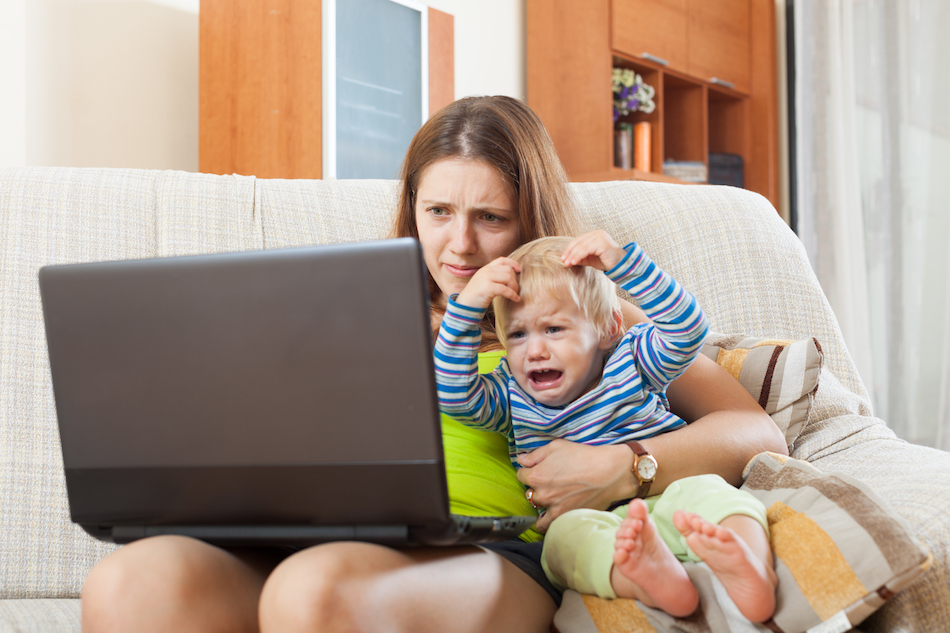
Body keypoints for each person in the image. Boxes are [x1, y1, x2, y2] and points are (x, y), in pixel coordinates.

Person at [80, 96, 788, 633]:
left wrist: (628, 463)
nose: (460, 244)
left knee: (313, 590)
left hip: (487, 553)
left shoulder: (584, 323)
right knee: (127, 584)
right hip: (310, 535)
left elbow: (754, 432)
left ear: (531, 218)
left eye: (491, 217)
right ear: (411, 210)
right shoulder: (342, 311)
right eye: (438, 211)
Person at [434, 233, 777, 622]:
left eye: (553, 329)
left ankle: (749, 564)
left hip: (667, 492)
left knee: (714, 494)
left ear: (607, 329)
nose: (535, 350)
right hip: (586, 520)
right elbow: (454, 395)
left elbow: (688, 330)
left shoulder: (630, 359)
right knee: (562, 546)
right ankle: (648, 578)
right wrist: (465, 308)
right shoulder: (510, 392)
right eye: (517, 334)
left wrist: (626, 265)